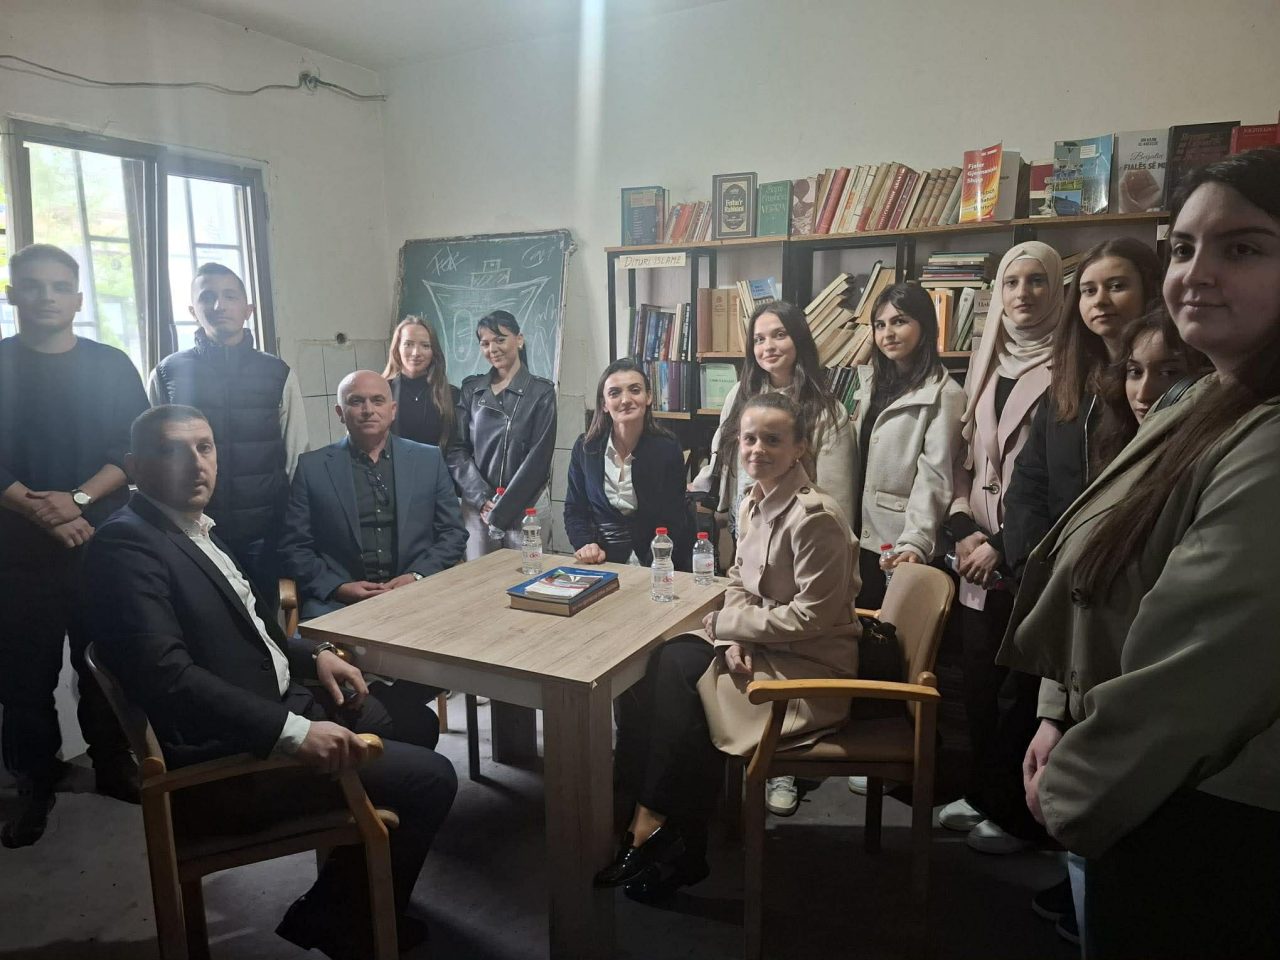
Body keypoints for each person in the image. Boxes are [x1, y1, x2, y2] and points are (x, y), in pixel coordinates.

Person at [1000, 147, 1280, 959]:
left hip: (1209, 811)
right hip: (1147, 781)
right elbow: (1099, 566)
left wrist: (1077, 790)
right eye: (1184, 247)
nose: (1197, 273)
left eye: (1243, 248)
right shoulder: (1207, 399)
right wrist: (1060, 711)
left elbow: (1201, 665)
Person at [84, 405, 457, 960]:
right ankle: (345, 924)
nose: (195, 463)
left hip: (281, 699)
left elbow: (257, 631)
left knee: (416, 723)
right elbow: (167, 679)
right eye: (172, 450)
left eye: (204, 447)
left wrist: (316, 655)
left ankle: (348, 889)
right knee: (432, 778)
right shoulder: (126, 545)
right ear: (135, 466)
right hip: (230, 758)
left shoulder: (195, 528)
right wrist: (293, 733)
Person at [599, 393, 859, 900]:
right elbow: (739, 577)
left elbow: (814, 617)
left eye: (773, 440)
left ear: (800, 448)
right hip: (766, 647)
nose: (757, 449)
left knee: (683, 685)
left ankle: (655, 824)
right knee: (664, 664)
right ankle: (662, 825)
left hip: (809, 669)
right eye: (749, 439)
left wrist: (733, 625)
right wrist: (735, 632)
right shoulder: (754, 500)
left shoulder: (816, 517)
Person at [0, 243, 149, 848]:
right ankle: (34, 783)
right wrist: (43, 511)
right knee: (23, 676)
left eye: (59, 286)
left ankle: (113, 764)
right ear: (12, 294)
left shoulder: (111, 365)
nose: (46, 297)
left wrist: (78, 500)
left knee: (107, 662)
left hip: (100, 542)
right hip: (16, 551)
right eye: (33, 286)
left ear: (78, 298)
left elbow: (132, 449)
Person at [939, 241, 1064, 855]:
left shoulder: (1073, 365)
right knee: (980, 684)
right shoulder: (989, 360)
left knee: (1024, 692)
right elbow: (967, 461)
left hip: (1028, 552)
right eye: (1011, 283)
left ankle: (1020, 816)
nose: (1023, 294)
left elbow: (1061, 480)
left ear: (1058, 290)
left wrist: (1002, 545)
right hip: (976, 554)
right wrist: (963, 526)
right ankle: (986, 792)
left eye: (1037, 281)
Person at [148, 262, 307, 613]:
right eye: (208, 297)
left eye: (230, 296)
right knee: (202, 623)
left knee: (262, 624)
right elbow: (152, 459)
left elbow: (296, 457)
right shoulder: (167, 373)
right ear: (193, 310)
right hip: (190, 532)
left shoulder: (277, 373)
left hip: (263, 533)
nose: (219, 305)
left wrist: (291, 530)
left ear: (248, 309)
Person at [1003, 238, 1162, 584]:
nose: (1100, 300)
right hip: (1057, 576)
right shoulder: (1067, 386)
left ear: (1149, 290)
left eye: (1116, 286)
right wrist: (1031, 571)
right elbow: (1029, 483)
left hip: (1135, 581)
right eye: (1089, 291)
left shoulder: (1163, 385)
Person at [279, 369, 467, 620]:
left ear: (393, 410)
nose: (368, 410)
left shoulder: (428, 460)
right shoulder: (312, 468)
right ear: (340, 413)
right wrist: (339, 587)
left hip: (419, 593)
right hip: (339, 602)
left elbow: (453, 534)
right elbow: (295, 547)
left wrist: (417, 576)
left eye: (378, 401)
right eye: (356, 401)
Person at [690, 301, 857, 549]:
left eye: (779, 335)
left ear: (799, 340)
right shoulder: (739, 394)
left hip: (797, 532)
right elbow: (722, 452)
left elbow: (837, 497)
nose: (768, 346)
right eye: (759, 339)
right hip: (744, 521)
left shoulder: (827, 411)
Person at [850, 282, 965, 611]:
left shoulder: (945, 394)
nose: (888, 333)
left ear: (924, 325)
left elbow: (936, 476)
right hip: (858, 536)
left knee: (892, 633)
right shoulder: (870, 384)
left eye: (899, 321)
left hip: (899, 543)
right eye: (880, 324)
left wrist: (916, 540)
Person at [564, 358, 693, 568]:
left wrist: (654, 563)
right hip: (602, 559)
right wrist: (585, 544)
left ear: (648, 397)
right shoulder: (586, 449)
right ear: (604, 404)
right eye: (615, 393)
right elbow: (575, 509)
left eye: (635, 390)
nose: (625, 400)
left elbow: (674, 517)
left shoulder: (667, 449)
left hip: (658, 560)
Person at [448, 310, 557, 559]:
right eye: (485, 343)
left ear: (519, 340)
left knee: (527, 577)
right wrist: (481, 497)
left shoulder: (541, 392)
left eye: (500, 339)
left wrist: (503, 509)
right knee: (482, 578)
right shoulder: (472, 389)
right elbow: (456, 450)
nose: (492, 349)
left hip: (527, 507)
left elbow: (539, 458)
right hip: (479, 508)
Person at [1090, 306, 1210, 467]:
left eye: (1167, 373)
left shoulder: (1210, 456)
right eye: (1135, 372)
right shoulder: (1116, 440)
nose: (1143, 394)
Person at [382, 315, 459, 449]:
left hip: (437, 462)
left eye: (425, 346)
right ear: (397, 349)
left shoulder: (452, 395)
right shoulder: (381, 391)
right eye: (408, 344)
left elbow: (457, 447)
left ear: (433, 351)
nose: (416, 353)